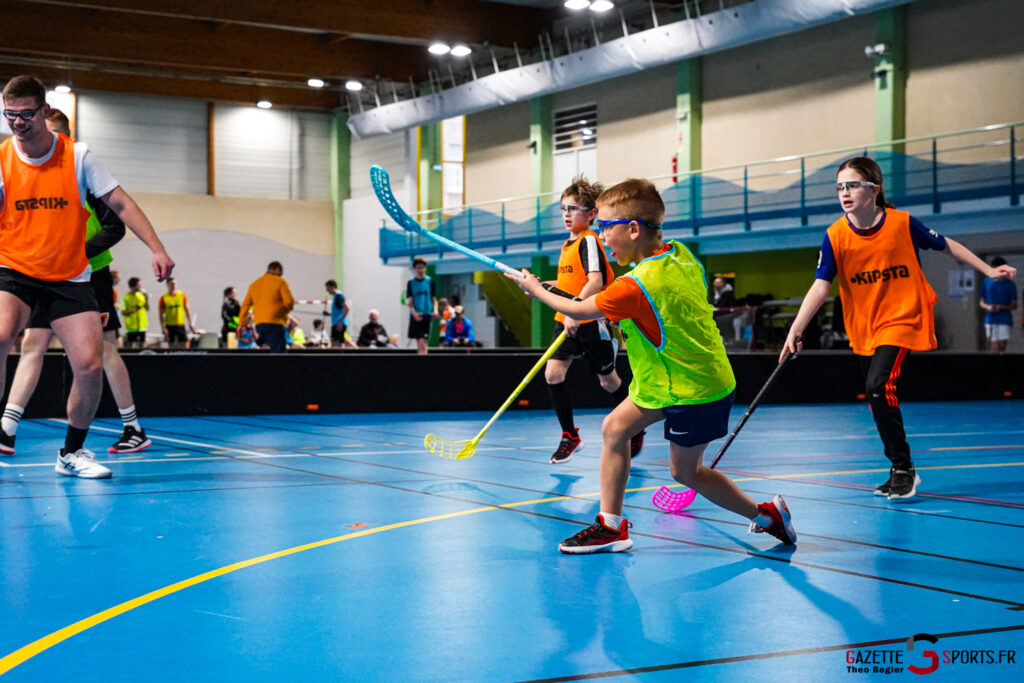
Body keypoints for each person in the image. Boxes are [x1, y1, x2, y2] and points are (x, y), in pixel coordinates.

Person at [507, 178, 795, 553]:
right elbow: (628, 304)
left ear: (632, 228)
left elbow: (580, 310)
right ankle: (610, 527)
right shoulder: (680, 254)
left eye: (606, 228)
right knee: (614, 429)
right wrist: (551, 288)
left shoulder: (635, 286)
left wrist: (535, 290)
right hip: (665, 379)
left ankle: (767, 516)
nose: (602, 238)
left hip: (695, 388)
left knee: (685, 472)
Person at [782, 157, 1017, 501]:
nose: (844, 192)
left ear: (874, 190)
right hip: (866, 326)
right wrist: (796, 328)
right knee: (876, 396)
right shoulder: (834, 236)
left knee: (878, 386)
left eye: (852, 185)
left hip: (903, 317)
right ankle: (897, 468)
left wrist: (989, 270)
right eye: (840, 187)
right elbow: (821, 285)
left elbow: (946, 244)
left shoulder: (902, 223)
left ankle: (904, 468)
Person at [0, 75, 174, 477]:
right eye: (11, 116)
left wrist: (157, 248)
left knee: (90, 365)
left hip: (68, 276)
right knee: (3, 332)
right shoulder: (4, 159)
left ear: (44, 111)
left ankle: (71, 454)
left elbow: (121, 205)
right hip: (14, 268)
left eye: (27, 114)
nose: (19, 123)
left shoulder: (78, 156)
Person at [544, 175, 641, 465]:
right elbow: (571, 284)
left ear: (591, 214)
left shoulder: (589, 241)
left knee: (608, 381)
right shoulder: (567, 246)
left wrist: (575, 308)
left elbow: (596, 281)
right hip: (567, 320)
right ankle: (569, 435)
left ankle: (634, 429)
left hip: (589, 321)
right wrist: (542, 287)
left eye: (573, 208)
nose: (566, 214)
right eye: (563, 208)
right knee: (553, 374)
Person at [239, 261, 294, 353]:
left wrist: (241, 323)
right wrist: (283, 312)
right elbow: (289, 302)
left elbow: (245, 305)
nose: (281, 274)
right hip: (274, 323)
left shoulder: (254, 284)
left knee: (264, 352)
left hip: (259, 325)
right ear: (277, 269)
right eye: (281, 271)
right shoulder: (280, 282)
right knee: (279, 353)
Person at [979, 257, 1017, 353]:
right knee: (994, 345)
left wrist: (1001, 307)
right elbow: (981, 302)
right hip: (990, 319)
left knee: (1002, 346)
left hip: (1004, 319)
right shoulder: (986, 282)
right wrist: (988, 307)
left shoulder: (1010, 284)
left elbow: (1014, 305)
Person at [406, 257, 438, 355]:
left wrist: (435, 310)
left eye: (422, 267)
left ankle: (424, 356)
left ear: (425, 268)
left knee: (423, 340)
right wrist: (414, 313)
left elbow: (434, 299)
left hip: (426, 314)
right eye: (418, 268)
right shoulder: (411, 283)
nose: (420, 270)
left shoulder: (430, 281)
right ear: (415, 269)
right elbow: (410, 301)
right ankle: (421, 356)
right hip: (416, 315)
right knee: (419, 341)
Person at [159, 277, 194, 348]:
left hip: (180, 325)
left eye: (175, 283)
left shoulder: (182, 295)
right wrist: (163, 327)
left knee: (183, 344)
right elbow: (161, 314)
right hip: (169, 326)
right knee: (171, 346)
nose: (174, 285)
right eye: (172, 284)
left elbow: (187, 310)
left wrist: (190, 323)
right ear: (167, 285)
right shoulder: (163, 298)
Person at [121, 277, 149, 348]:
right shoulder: (125, 297)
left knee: (142, 345)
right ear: (133, 286)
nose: (140, 287)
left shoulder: (141, 296)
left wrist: (146, 299)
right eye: (138, 285)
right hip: (131, 327)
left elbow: (147, 308)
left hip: (142, 326)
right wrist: (134, 310)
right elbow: (123, 312)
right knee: (131, 346)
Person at [324, 279, 349, 347]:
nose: (327, 290)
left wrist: (340, 321)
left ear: (333, 287)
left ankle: (339, 357)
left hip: (338, 323)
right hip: (336, 322)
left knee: (337, 343)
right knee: (338, 342)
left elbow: (347, 308)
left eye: (328, 288)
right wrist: (329, 314)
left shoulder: (339, 296)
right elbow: (339, 310)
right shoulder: (336, 296)